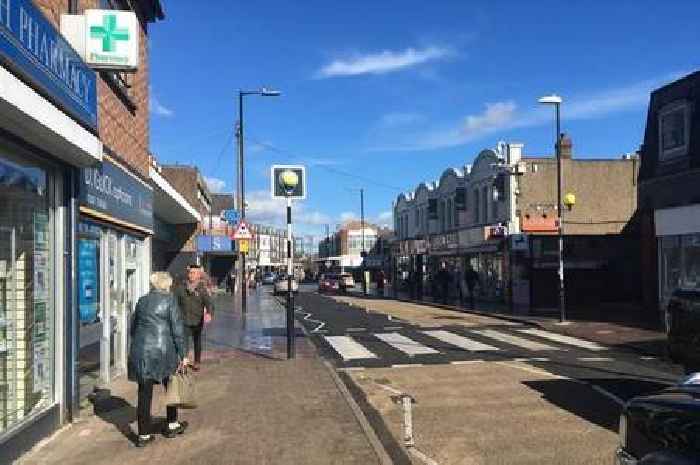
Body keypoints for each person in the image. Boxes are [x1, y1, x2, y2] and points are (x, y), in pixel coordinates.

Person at [128, 271, 188, 447]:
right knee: (171, 388)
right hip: (164, 352)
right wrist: (183, 355)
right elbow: (178, 331)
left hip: (142, 352)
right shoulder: (170, 301)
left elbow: (134, 327)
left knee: (144, 394)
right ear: (165, 285)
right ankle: (172, 424)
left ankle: (143, 436)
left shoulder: (142, 301)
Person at [174, 265, 214, 371]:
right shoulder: (181, 288)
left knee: (197, 341)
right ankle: (184, 362)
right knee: (184, 342)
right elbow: (174, 302)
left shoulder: (202, 289)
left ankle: (197, 361)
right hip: (183, 319)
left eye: (194, 273)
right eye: (190, 273)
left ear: (198, 275)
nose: (191, 275)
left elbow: (209, 303)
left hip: (197, 319)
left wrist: (209, 313)